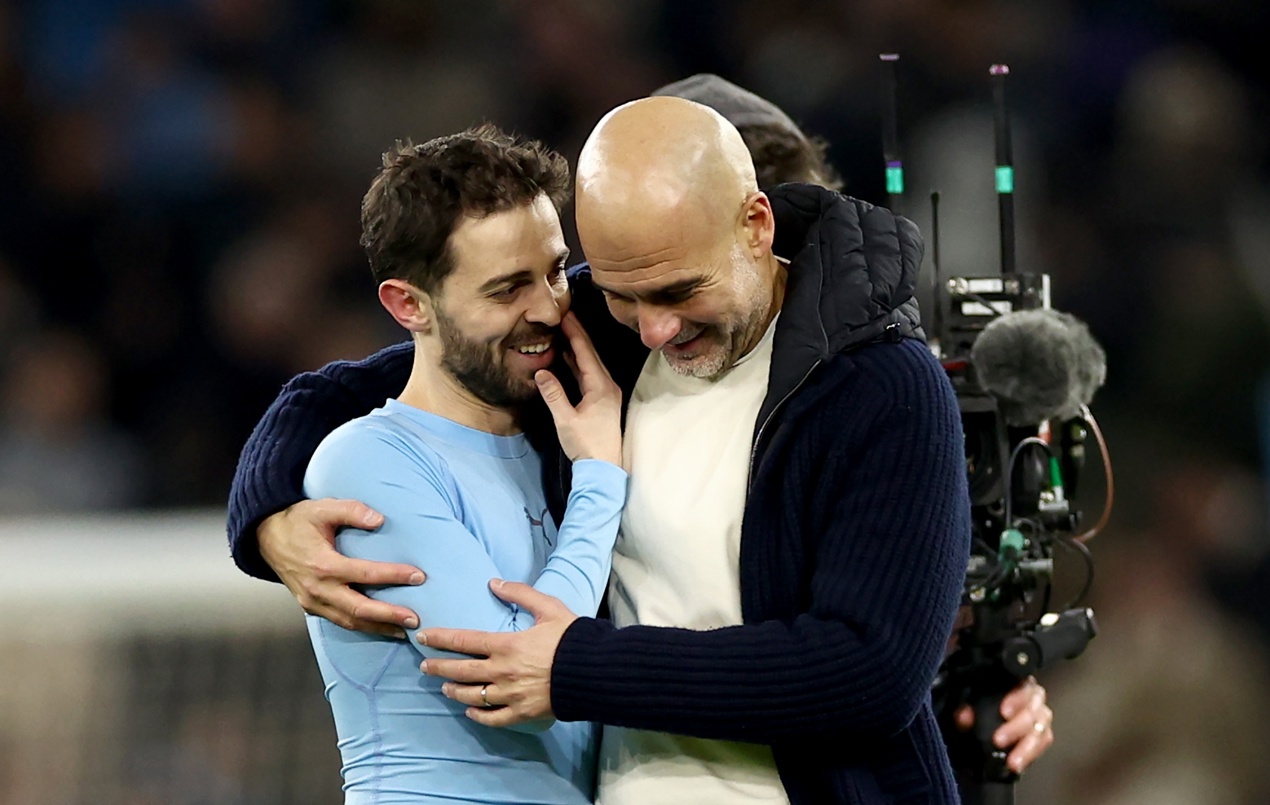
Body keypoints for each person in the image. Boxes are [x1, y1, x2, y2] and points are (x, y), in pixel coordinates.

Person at [227, 80, 1050, 798]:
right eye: (622, 292)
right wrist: (268, 520)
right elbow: (359, 384)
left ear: (755, 224)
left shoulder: (882, 387)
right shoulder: (599, 331)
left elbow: (867, 672)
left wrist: (578, 667)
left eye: (678, 289)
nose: (656, 327)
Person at [299, 125, 629, 803]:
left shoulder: (551, 436)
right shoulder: (367, 460)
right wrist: (600, 475)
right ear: (408, 305)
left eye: (553, 270)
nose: (546, 307)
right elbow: (515, 674)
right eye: (507, 289)